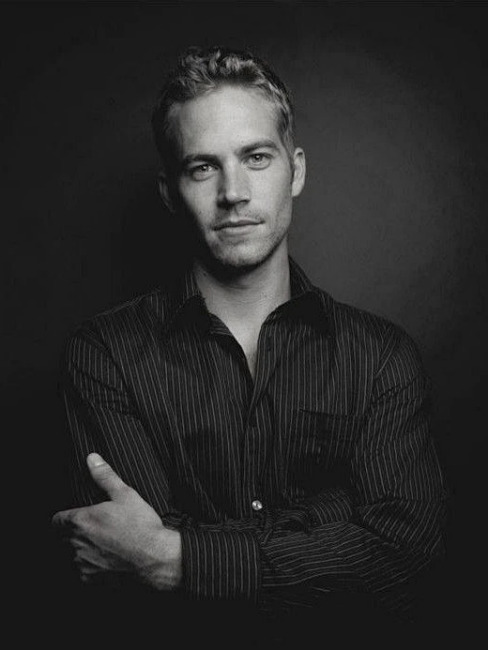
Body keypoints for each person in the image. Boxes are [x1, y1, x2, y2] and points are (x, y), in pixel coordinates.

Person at [52, 46, 447, 646]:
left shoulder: (381, 358)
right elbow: (128, 578)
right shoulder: (104, 355)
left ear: (297, 170)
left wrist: (179, 559)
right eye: (202, 167)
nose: (233, 192)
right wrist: (335, 518)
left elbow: (405, 558)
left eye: (256, 157)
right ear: (169, 192)